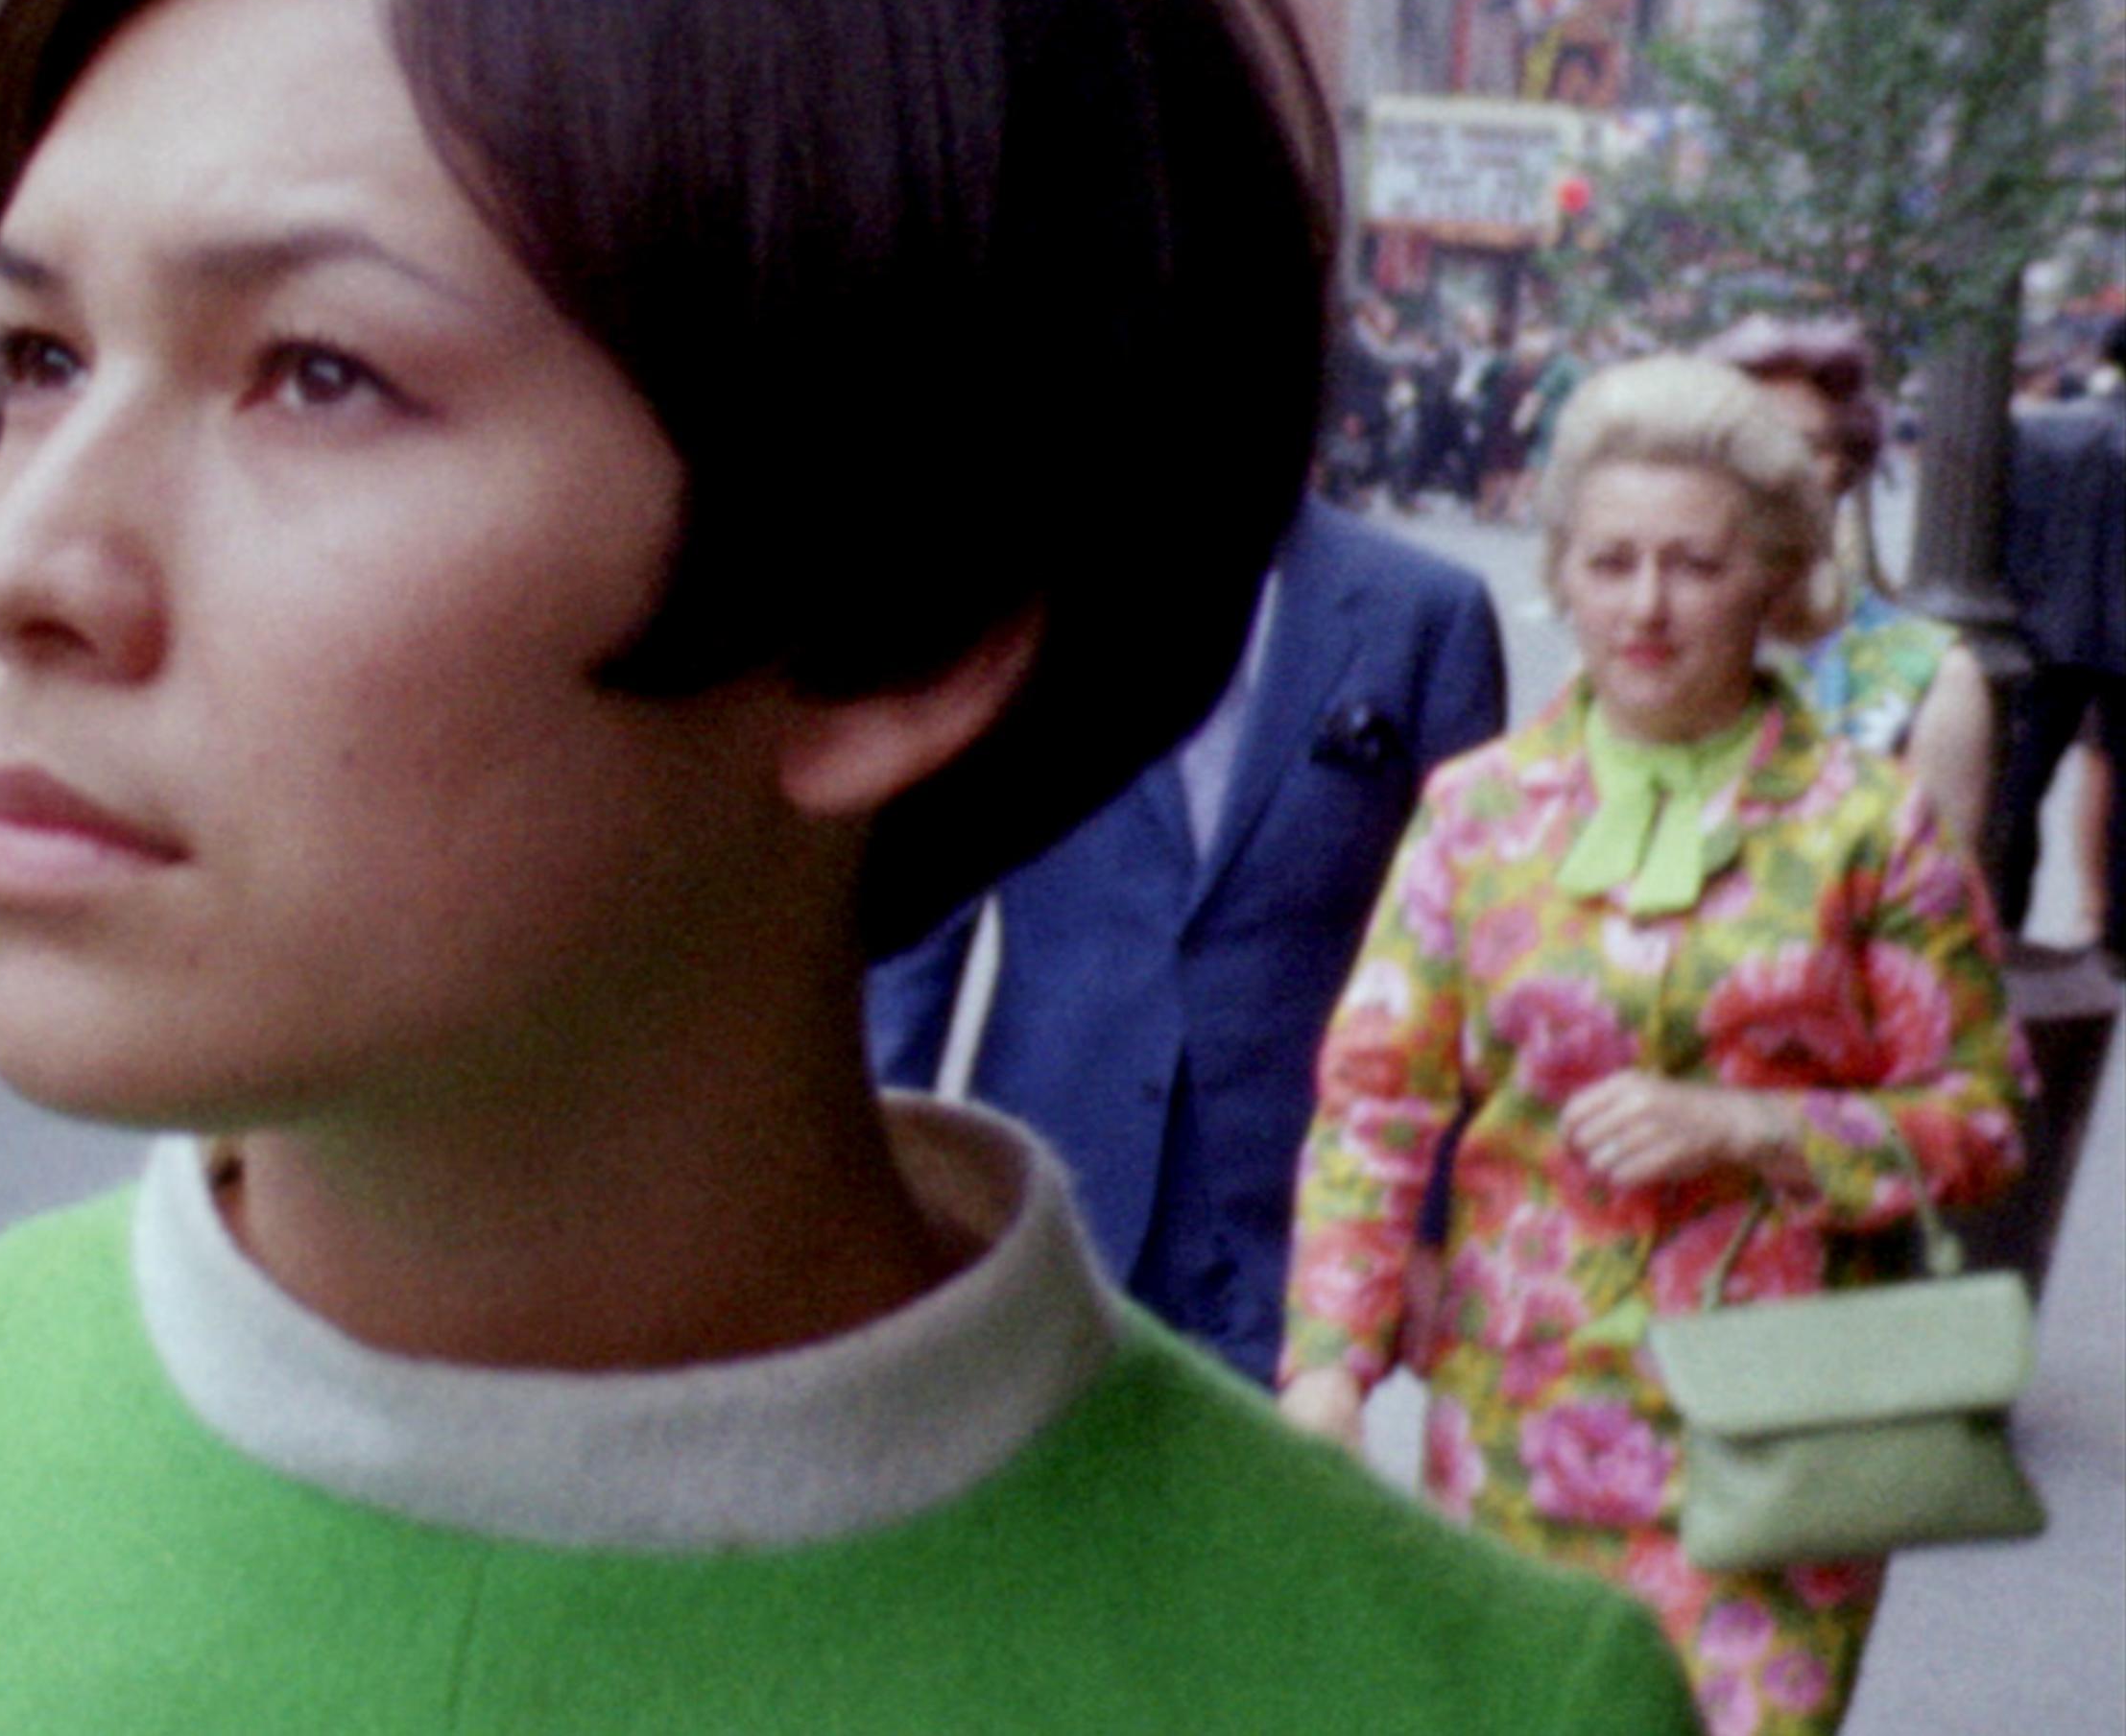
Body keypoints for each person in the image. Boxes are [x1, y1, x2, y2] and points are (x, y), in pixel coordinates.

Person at [0, 0, 1698, 1734]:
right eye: (37, 357)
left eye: (314, 374)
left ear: (893, 615)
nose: (19, 563)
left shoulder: (1450, 1699)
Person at [1280, 354, 2025, 1734]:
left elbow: (1983, 1121)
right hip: (1520, 1421)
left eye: (1696, 562)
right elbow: (1373, 1107)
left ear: (1777, 576)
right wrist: (1330, 1360)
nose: (1647, 603)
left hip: (1779, 1447)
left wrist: (1758, 1128)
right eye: (1611, 559)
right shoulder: (1477, 814)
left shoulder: (1867, 824)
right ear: (1558, 566)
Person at [865, 500, 1505, 1386]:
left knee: (1255, 1513)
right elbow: (918, 921)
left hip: (1294, 1209)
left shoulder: (1423, 612)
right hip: (1055, 1178)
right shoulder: (1021, 600)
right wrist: (871, 1173)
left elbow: (1472, 954)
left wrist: (1436, 1223)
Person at [1704, 315, 1992, 848]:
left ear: (1847, 468)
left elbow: (1935, 904)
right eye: (1746, 444)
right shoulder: (1641, 637)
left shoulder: (1928, 677)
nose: (1774, 472)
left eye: (1805, 447)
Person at [1987, 315, 2126, 960]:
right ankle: (2117, 931)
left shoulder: (2043, 431)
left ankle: (2005, 916)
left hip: (2046, 632)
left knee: (2020, 785)